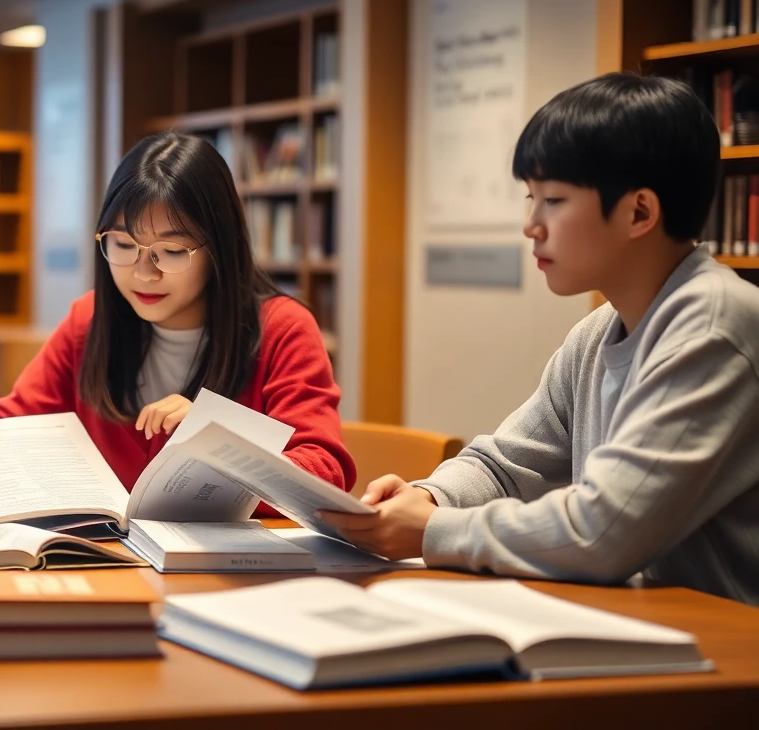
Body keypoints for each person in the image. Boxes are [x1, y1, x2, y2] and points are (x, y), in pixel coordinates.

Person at [318, 73, 759, 606]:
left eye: (552, 199)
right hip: (640, 626)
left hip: (725, 652)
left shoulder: (715, 326)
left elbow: (604, 531)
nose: (531, 225)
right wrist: (427, 496)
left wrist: (431, 531)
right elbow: (503, 465)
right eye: (531, 198)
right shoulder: (598, 332)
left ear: (639, 211)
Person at [0, 131, 355, 500]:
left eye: (171, 251)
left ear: (220, 248)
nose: (143, 272)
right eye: (122, 245)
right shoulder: (90, 321)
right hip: (112, 562)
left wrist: (220, 439)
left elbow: (324, 471)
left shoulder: (280, 329)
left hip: (234, 573)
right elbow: (13, 431)